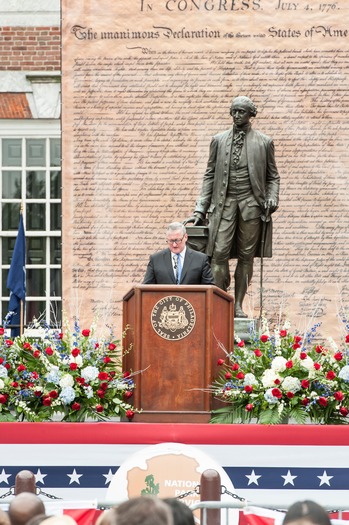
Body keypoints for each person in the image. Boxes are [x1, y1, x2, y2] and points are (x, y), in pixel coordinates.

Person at [184, 96, 280, 318]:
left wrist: (272, 198)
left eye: (241, 112)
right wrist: (200, 209)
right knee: (218, 254)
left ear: (251, 115)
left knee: (246, 257)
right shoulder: (218, 140)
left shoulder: (264, 142)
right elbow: (209, 175)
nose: (236, 116)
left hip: (251, 206)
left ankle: (238, 305)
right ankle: (219, 304)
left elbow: (273, 177)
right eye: (233, 111)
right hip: (223, 206)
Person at [143, 222, 214, 285]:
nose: (174, 245)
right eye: (170, 241)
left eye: (177, 240)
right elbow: (146, 288)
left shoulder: (201, 259)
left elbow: (209, 289)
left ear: (185, 237)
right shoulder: (155, 259)